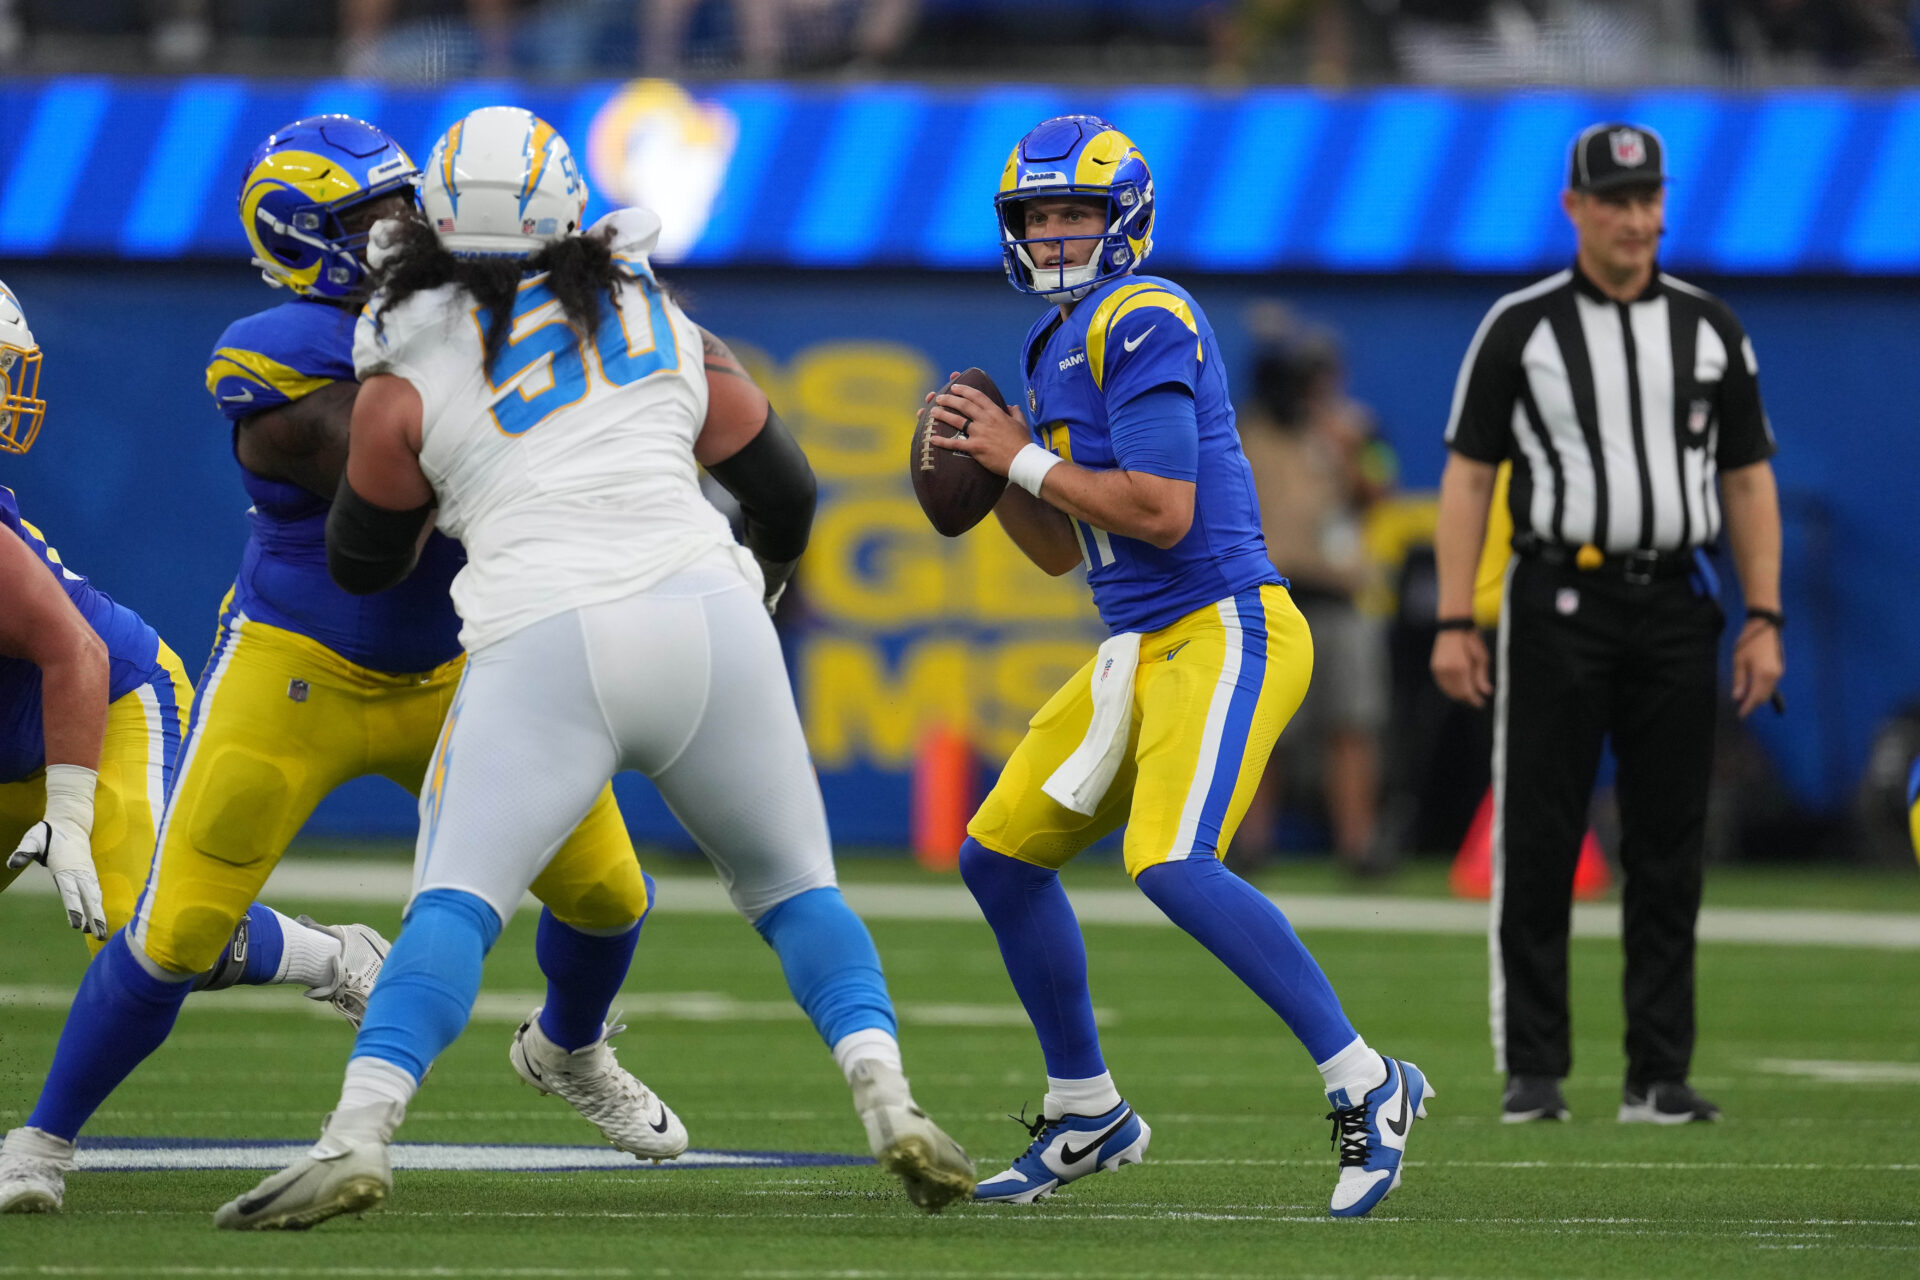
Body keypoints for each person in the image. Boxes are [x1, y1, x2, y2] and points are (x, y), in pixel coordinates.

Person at [214, 106, 974, 1230]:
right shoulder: (655, 313)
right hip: (708, 612)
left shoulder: (402, 344)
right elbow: (789, 489)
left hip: (546, 633)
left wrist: (453, 484)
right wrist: (753, 591)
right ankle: (890, 1099)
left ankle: (358, 1129)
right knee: (798, 891)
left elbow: (365, 559)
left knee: (456, 904)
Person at [0, 115, 643, 1215]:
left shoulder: (473, 320)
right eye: (376, 215)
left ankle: (571, 1049)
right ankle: (42, 1139)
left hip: (460, 670)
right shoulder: (273, 348)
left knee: (608, 896)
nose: (408, 228)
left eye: (411, 204)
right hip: (299, 669)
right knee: (174, 931)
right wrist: (548, 341)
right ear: (309, 237)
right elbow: (406, 462)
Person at [925, 114, 1431, 1219]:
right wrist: (996, 472)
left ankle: (1369, 1077)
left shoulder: (1144, 313)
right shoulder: (1051, 344)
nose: (1056, 233)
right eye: (1039, 215)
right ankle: (1087, 1107)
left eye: (1075, 212)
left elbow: (1161, 509)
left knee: (1171, 860)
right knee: (1000, 857)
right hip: (1137, 644)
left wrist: (1020, 455)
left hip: (1224, 620)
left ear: (1125, 220)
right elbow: (1066, 544)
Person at [1429, 122, 1785, 1125]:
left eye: (1648, 200)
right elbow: (1468, 476)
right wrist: (1458, 616)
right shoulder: (1522, 325)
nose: (1637, 219)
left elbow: (1748, 477)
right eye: (1616, 200)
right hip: (1559, 598)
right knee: (1540, 832)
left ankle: (1657, 1073)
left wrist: (1764, 615)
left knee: (1671, 840)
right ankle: (1535, 1070)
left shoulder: (1710, 326)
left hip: (1678, 596)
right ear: (1574, 207)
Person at [0, 280, 192, 948]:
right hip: (12, 743)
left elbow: (78, 652)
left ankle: (333, 959)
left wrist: (70, 816)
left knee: (147, 936)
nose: (4, 393)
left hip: (106, 702)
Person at [1232, 307, 1395, 874]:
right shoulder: (1252, 427)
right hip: (1273, 589)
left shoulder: (1358, 426)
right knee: (1264, 724)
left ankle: (1358, 845)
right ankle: (1251, 842)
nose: (1316, 387)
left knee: (1351, 723)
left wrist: (1346, 449)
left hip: (1340, 592)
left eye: (1324, 374)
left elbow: (1382, 485)